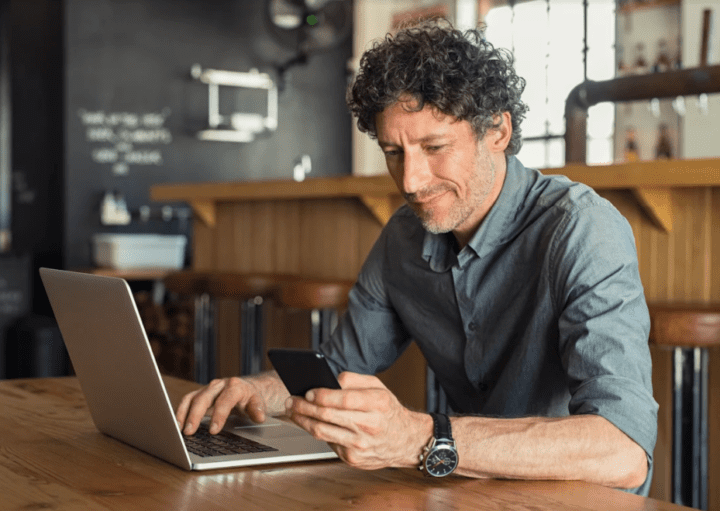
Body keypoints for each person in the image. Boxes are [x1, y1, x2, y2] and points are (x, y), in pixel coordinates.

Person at [176, 19, 658, 495]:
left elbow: (624, 451)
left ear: (498, 131)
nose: (409, 181)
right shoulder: (404, 236)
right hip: (472, 493)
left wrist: (421, 438)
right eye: (393, 151)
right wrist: (258, 391)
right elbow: (340, 368)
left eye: (434, 147)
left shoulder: (583, 229)